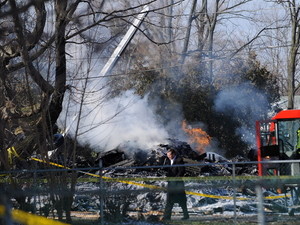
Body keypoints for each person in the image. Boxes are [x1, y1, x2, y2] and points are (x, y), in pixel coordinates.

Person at [163, 148, 189, 220]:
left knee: (182, 201)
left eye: (169, 155)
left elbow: (181, 171)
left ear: (173, 154)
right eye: (167, 155)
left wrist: (175, 179)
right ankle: (167, 217)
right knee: (169, 200)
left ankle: (186, 215)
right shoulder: (168, 160)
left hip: (178, 184)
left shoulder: (179, 160)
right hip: (171, 183)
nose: (168, 157)